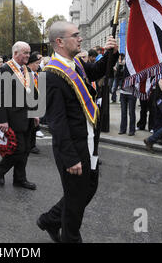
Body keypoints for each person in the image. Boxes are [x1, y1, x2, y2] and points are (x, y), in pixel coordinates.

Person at [37, 21, 119, 243]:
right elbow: (57, 122)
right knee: (74, 205)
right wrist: (71, 157)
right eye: (75, 35)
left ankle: (50, 220)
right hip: (73, 147)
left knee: (88, 189)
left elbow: (97, 70)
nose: (80, 38)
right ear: (60, 42)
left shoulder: (77, 64)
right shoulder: (50, 75)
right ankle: (70, 237)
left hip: (89, 141)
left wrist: (111, 51)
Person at [0, 41, 38, 190]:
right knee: (18, 149)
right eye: (25, 53)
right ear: (15, 53)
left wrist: (35, 113)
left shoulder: (27, 70)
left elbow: (31, 93)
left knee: (26, 149)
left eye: (29, 52)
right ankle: (0, 168)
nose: (28, 55)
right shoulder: (5, 69)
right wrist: (3, 120)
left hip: (27, 117)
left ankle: (20, 179)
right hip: (12, 117)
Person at [27, 52, 42, 154]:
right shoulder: (26, 74)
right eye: (37, 63)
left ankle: (32, 144)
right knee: (29, 126)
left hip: (36, 102)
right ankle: (30, 145)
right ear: (31, 63)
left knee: (34, 126)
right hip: (28, 103)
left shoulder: (36, 74)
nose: (39, 65)